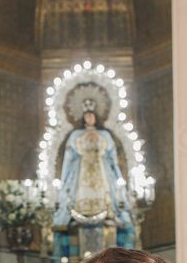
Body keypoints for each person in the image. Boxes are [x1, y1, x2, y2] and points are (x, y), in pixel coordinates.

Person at [53, 101, 134, 253]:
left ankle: (108, 210)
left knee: (107, 196)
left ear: (96, 117)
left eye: (92, 115)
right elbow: (69, 157)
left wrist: (117, 176)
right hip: (81, 171)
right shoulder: (76, 135)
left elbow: (112, 156)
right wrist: (65, 181)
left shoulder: (104, 135)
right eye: (87, 116)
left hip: (101, 171)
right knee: (79, 195)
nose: (90, 118)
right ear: (83, 117)